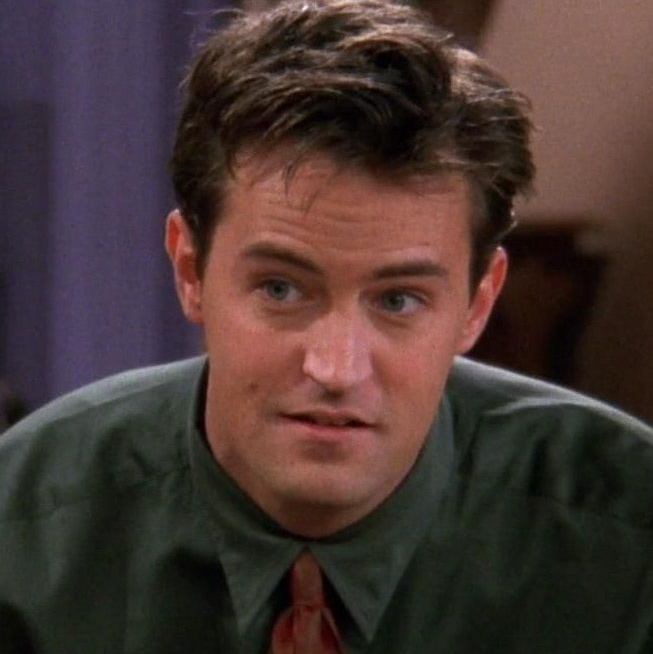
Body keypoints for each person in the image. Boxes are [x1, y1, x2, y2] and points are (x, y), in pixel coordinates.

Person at [1, 0, 652, 651]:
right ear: (191, 271)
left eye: (398, 301)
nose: (336, 369)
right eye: (280, 290)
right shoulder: (23, 534)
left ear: (478, 303)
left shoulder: (628, 540)